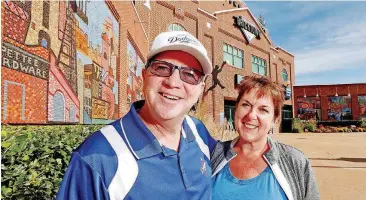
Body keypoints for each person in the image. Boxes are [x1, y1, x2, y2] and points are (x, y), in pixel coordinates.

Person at [57, 31, 217, 200]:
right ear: (144, 76)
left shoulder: (198, 131)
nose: (173, 82)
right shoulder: (97, 158)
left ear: (200, 89)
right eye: (162, 68)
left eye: (190, 75)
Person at [211, 76, 320, 200]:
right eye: (246, 105)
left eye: (263, 109)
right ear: (236, 108)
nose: (251, 115)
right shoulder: (213, 154)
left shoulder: (295, 161)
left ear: (275, 119)